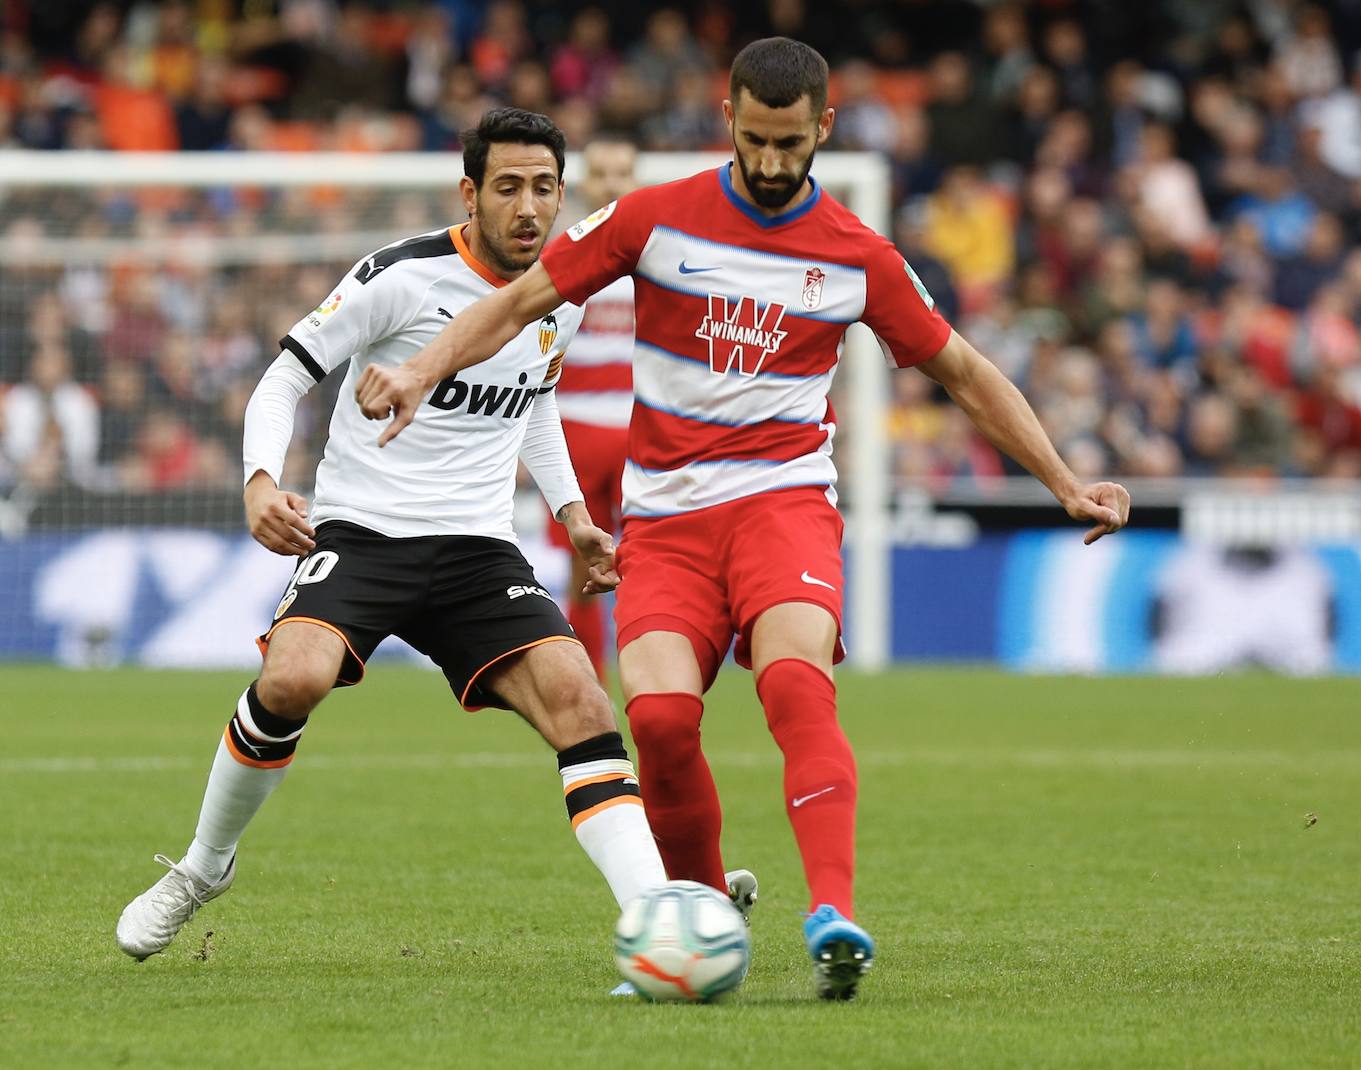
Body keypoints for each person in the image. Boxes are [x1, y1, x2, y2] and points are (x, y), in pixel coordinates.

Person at [355, 40, 1131, 1001]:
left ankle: (832, 913)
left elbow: (963, 372)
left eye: (791, 144)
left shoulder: (858, 257)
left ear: (824, 130)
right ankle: (703, 914)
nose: (772, 163)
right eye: (756, 140)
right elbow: (519, 302)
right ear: (729, 119)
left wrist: (1062, 479)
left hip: (782, 508)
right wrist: (422, 373)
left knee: (797, 690)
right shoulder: (652, 220)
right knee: (662, 721)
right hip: (667, 523)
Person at [115, 108, 666, 965]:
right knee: (293, 677)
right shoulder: (400, 277)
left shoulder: (562, 290)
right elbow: (281, 379)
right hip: (364, 534)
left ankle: (658, 921)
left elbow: (536, 400)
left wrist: (573, 518)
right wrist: (260, 480)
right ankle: (200, 869)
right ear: (470, 193)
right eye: (510, 187)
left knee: (585, 705)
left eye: (545, 189)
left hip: (479, 549)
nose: (529, 207)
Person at [546, 136, 638, 680]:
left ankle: (653, 680)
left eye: (621, 172)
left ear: (635, 180)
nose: (610, 183)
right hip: (574, 433)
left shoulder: (658, 254)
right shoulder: (559, 255)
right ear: (582, 185)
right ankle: (591, 689)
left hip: (642, 435)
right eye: (600, 173)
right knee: (583, 571)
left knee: (651, 563)